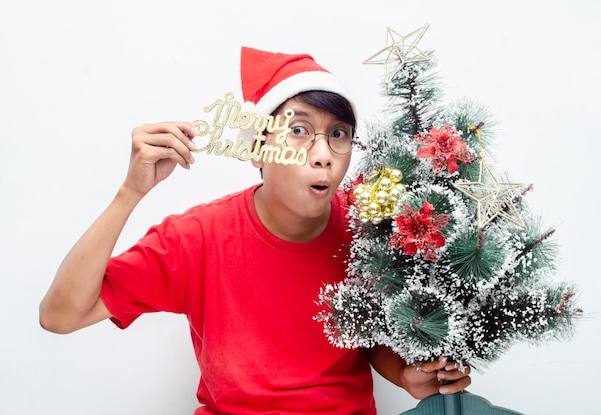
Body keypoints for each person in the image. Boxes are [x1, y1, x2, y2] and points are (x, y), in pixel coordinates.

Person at [39, 46, 471, 414]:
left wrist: (404, 374)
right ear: (256, 150)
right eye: (299, 130)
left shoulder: (369, 227)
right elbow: (61, 315)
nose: (323, 154)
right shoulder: (198, 238)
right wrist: (130, 192)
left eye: (338, 134)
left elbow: (367, 334)